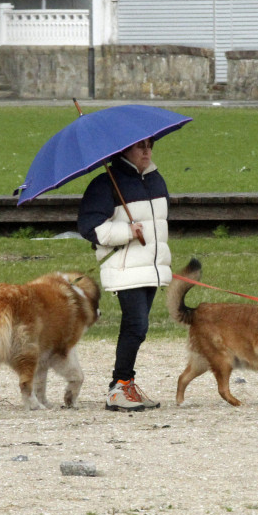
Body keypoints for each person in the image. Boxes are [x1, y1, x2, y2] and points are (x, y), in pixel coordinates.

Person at [78, 138, 171, 412]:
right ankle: (118, 388)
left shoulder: (156, 180)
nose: (146, 151)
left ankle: (126, 383)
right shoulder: (105, 183)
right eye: (139, 146)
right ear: (124, 150)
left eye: (149, 145)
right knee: (136, 326)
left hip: (152, 267)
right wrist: (128, 232)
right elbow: (90, 228)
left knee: (139, 329)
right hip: (124, 268)